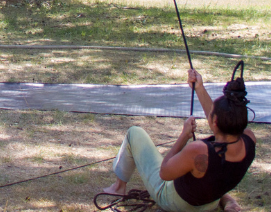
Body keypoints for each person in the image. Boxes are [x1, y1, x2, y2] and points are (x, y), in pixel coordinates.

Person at [103, 65, 256, 212]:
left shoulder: (199, 151)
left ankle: (118, 188)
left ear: (215, 122)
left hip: (178, 204)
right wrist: (199, 88)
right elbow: (223, 124)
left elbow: (164, 173)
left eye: (211, 114)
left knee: (134, 133)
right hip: (210, 202)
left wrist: (184, 136)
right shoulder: (249, 140)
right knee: (211, 175)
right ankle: (227, 199)